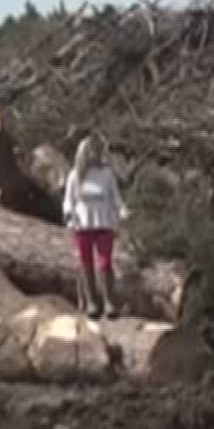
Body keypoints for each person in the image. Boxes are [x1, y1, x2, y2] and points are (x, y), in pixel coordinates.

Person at [61, 134, 127, 319]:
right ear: (83, 153)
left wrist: (122, 211)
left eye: (96, 150)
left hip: (103, 224)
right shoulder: (75, 175)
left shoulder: (106, 174)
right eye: (90, 150)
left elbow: (115, 197)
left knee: (105, 262)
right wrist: (69, 218)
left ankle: (109, 302)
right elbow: (68, 201)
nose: (93, 154)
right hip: (83, 225)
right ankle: (92, 302)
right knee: (85, 262)